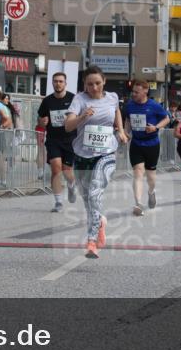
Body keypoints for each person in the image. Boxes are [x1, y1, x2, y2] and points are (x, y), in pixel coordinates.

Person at [64, 66, 128, 259]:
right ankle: (100, 222)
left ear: (104, 81)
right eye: (90, 84)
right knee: (88, 200)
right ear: (84, 84)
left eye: (98, 83)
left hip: (106, 153)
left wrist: (121, 131)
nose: (94, 87)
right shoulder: (79, 99)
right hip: (83, 155)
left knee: (94, 193)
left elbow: (116, 111)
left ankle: (91, 242)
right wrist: (83, 116)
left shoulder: (112, 97)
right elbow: (68, 126)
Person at [123, 79, 170, 215]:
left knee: (151, 177)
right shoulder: (130, 105)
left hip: (152, 144)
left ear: (145, 91)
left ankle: (151, 192)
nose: (134, 94)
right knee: (138, 172)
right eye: (133, 92)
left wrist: (155, 127)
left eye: (137, 92)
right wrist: (127, 132)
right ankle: (138, 204)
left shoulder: (154, 105)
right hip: (136, 143)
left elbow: (166, 118)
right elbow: (127, 120)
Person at [37, 72, 78, 212]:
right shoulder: (47, 101)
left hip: (71, 140)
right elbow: (41, 121)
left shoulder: (73, 99)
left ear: (65, 83)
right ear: (52, 83)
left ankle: (72, 186)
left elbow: (80, 118)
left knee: (67, 172)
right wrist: (42, 122)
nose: (58, 84)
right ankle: (58, 202)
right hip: (53, 139)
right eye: (55, 81)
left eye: (61, 81)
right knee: (56, 168)